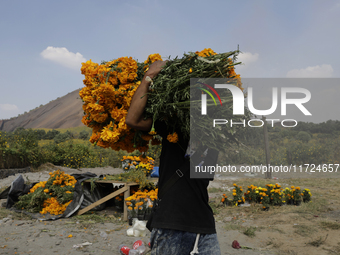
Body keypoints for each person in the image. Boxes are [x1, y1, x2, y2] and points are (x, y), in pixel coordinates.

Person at [126, 61, 221, 255]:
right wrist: (148, 79)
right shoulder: (173, 125)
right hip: (171, 223)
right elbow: (132, 120)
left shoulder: (215, 134)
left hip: (204, 225)